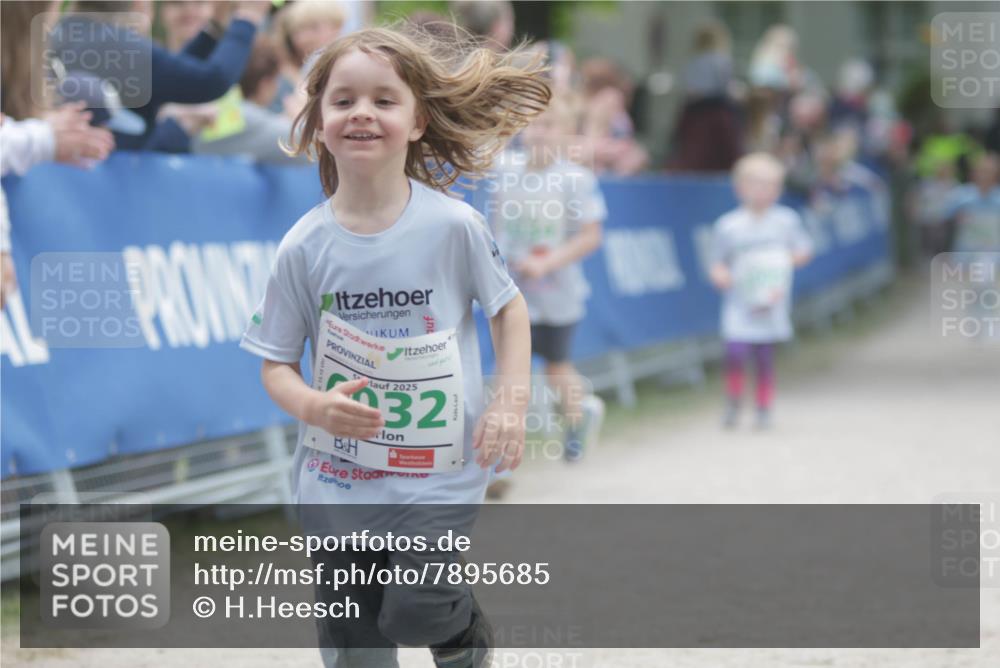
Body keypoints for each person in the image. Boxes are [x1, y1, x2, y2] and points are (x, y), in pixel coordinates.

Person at [239, 25, 548, 668]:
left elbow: (509, 309)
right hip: (337, 484)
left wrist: (510, 403)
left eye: (384, 100)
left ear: (417, 122)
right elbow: (276, 364)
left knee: (418, 609)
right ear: (318, 123)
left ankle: (463, 636)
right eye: (343, 100)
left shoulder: (453, 225)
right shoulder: (303, 246)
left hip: (435, 476)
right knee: (358, 654)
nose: (362, 113)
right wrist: (313, 406)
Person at [488, 99, 607, 462]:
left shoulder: (575, 179)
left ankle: (578, 420)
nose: (538, 133)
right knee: (510, 366)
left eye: (548, 125)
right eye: (532, 124)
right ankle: (504, 447)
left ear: (566, 133)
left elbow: (591, 236)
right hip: (511, 292)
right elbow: (495, 222)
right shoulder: (504, 168)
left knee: (557, 367)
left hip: (558, 293)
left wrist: (547, 263)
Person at [709, 153, 813, 429]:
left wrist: (779, 265)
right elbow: (717, 262)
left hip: (771, 300)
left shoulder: (786, 221)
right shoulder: (728, 225)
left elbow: (803, 250)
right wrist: (721, 275)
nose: (762, 191)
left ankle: (763, 406)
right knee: (735, 350)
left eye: (769, 185)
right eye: (756, 184)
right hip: (739, 301)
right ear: (740, 188)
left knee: (764, 354)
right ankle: (733, 400)